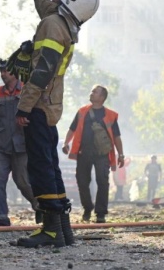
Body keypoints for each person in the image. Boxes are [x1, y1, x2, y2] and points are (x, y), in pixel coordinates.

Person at [10, 0, 99, 248]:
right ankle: (62, 228)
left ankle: (49, 231)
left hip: (38, 105)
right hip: (50, 107)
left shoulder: (51, 27)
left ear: (72, 0)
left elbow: (41, 73)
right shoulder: (60, 23)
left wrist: (23, 107)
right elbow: (44, 2)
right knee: (49, 164)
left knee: (39, 167)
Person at [0, 59, 38, 226]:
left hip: (22, 145)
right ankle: (0, 216)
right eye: (1, 71)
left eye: (6, 71)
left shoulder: (27, 90)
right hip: (1, 145)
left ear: (15, 72)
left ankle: (40, 206)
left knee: (23, 181)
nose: (3, 74)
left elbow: (37, 114)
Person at [63, 85, 124, 224]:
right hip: (83, 153)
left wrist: (121, 154)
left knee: (102, 182)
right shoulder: (82, 112)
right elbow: (72, 129)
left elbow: (116, 136)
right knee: (82, 182)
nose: (91, 93)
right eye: (91, 91)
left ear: (102, 97)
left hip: (102, 154)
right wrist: (66, 143)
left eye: (95, 92)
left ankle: (100, 213)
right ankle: (87, 207)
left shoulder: (110, 115)